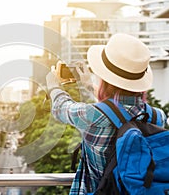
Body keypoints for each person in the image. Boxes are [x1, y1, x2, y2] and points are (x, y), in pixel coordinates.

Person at [46, 33, 168, 194]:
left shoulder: (92, 116)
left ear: (105, 77)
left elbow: (62, 108)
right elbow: (120, 110)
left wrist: (53, 86)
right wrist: (88, 86)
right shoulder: (158, 117)